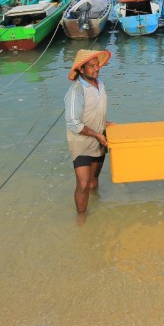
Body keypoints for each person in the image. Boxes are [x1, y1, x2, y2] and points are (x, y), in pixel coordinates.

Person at [65, 49, 113, 214]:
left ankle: (96, 207)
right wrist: (97, 134)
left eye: (97, 64)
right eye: (91, 66)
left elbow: (93, 110)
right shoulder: (76, 91)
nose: (96, 68)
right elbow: (72, 122)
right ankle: (81, 218)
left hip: (100, 137)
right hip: (81, 142)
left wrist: (104, 124)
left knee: (93, 181)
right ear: (81, 69)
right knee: (83, 183)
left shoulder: (100, 84)